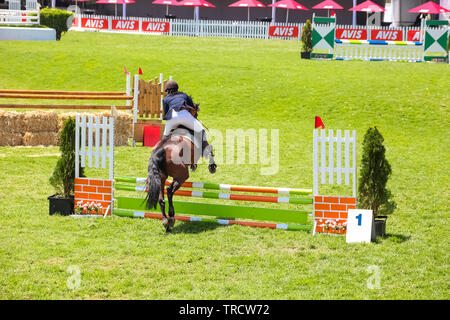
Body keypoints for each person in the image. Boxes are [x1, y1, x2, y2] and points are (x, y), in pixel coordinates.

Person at [162, 81, 213, 169]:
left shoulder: (165, 99)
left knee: (164, 137)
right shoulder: (183, 95)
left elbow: (166, 113)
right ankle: (208, 153)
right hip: (185, 115)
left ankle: (160, 155)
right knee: (201, 131)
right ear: (177, 89)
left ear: (168, 91)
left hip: (172, 118)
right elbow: (192, 107)